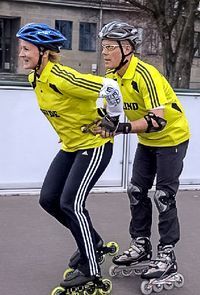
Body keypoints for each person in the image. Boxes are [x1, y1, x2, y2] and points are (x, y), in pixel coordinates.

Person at [16, 23, 123, 290]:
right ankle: (93, 243)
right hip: (71, 146)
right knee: (49, 200)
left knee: (71, 204)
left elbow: (110, 88)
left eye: (26, 49)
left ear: (43, 52)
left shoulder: (62, 78)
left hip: (94, 145)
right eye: (21, 48)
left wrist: (113, 120)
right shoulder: (35, 79)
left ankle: (91, 266)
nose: (21, 54)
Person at [97, 21, 190, 280]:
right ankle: (141, 245)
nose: (104, 52)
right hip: (148, 142)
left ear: (127, 48)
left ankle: (167, 254)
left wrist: (121, 129)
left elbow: (158, 121)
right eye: (102, 47)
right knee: (136, 190)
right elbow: (109, 114)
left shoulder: (145, 75)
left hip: (171, 138)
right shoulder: (111, 78)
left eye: (109, 47)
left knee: (163, 195)